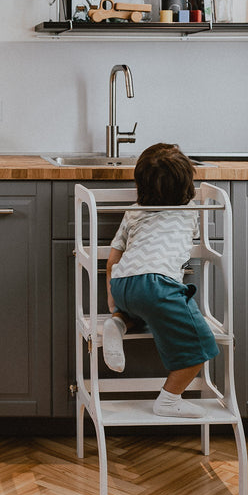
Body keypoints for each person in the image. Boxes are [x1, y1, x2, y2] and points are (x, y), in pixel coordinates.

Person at [103, 142, 219, 418]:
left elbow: (111, 261)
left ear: (140, 186)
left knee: (143, 311)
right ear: (186, 186)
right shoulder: (191, 211)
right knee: (202, 347)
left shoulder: (133, 211)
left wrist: (113, 302)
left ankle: (118, 321)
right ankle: (168, 399)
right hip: (158, 286)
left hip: (123, 285)